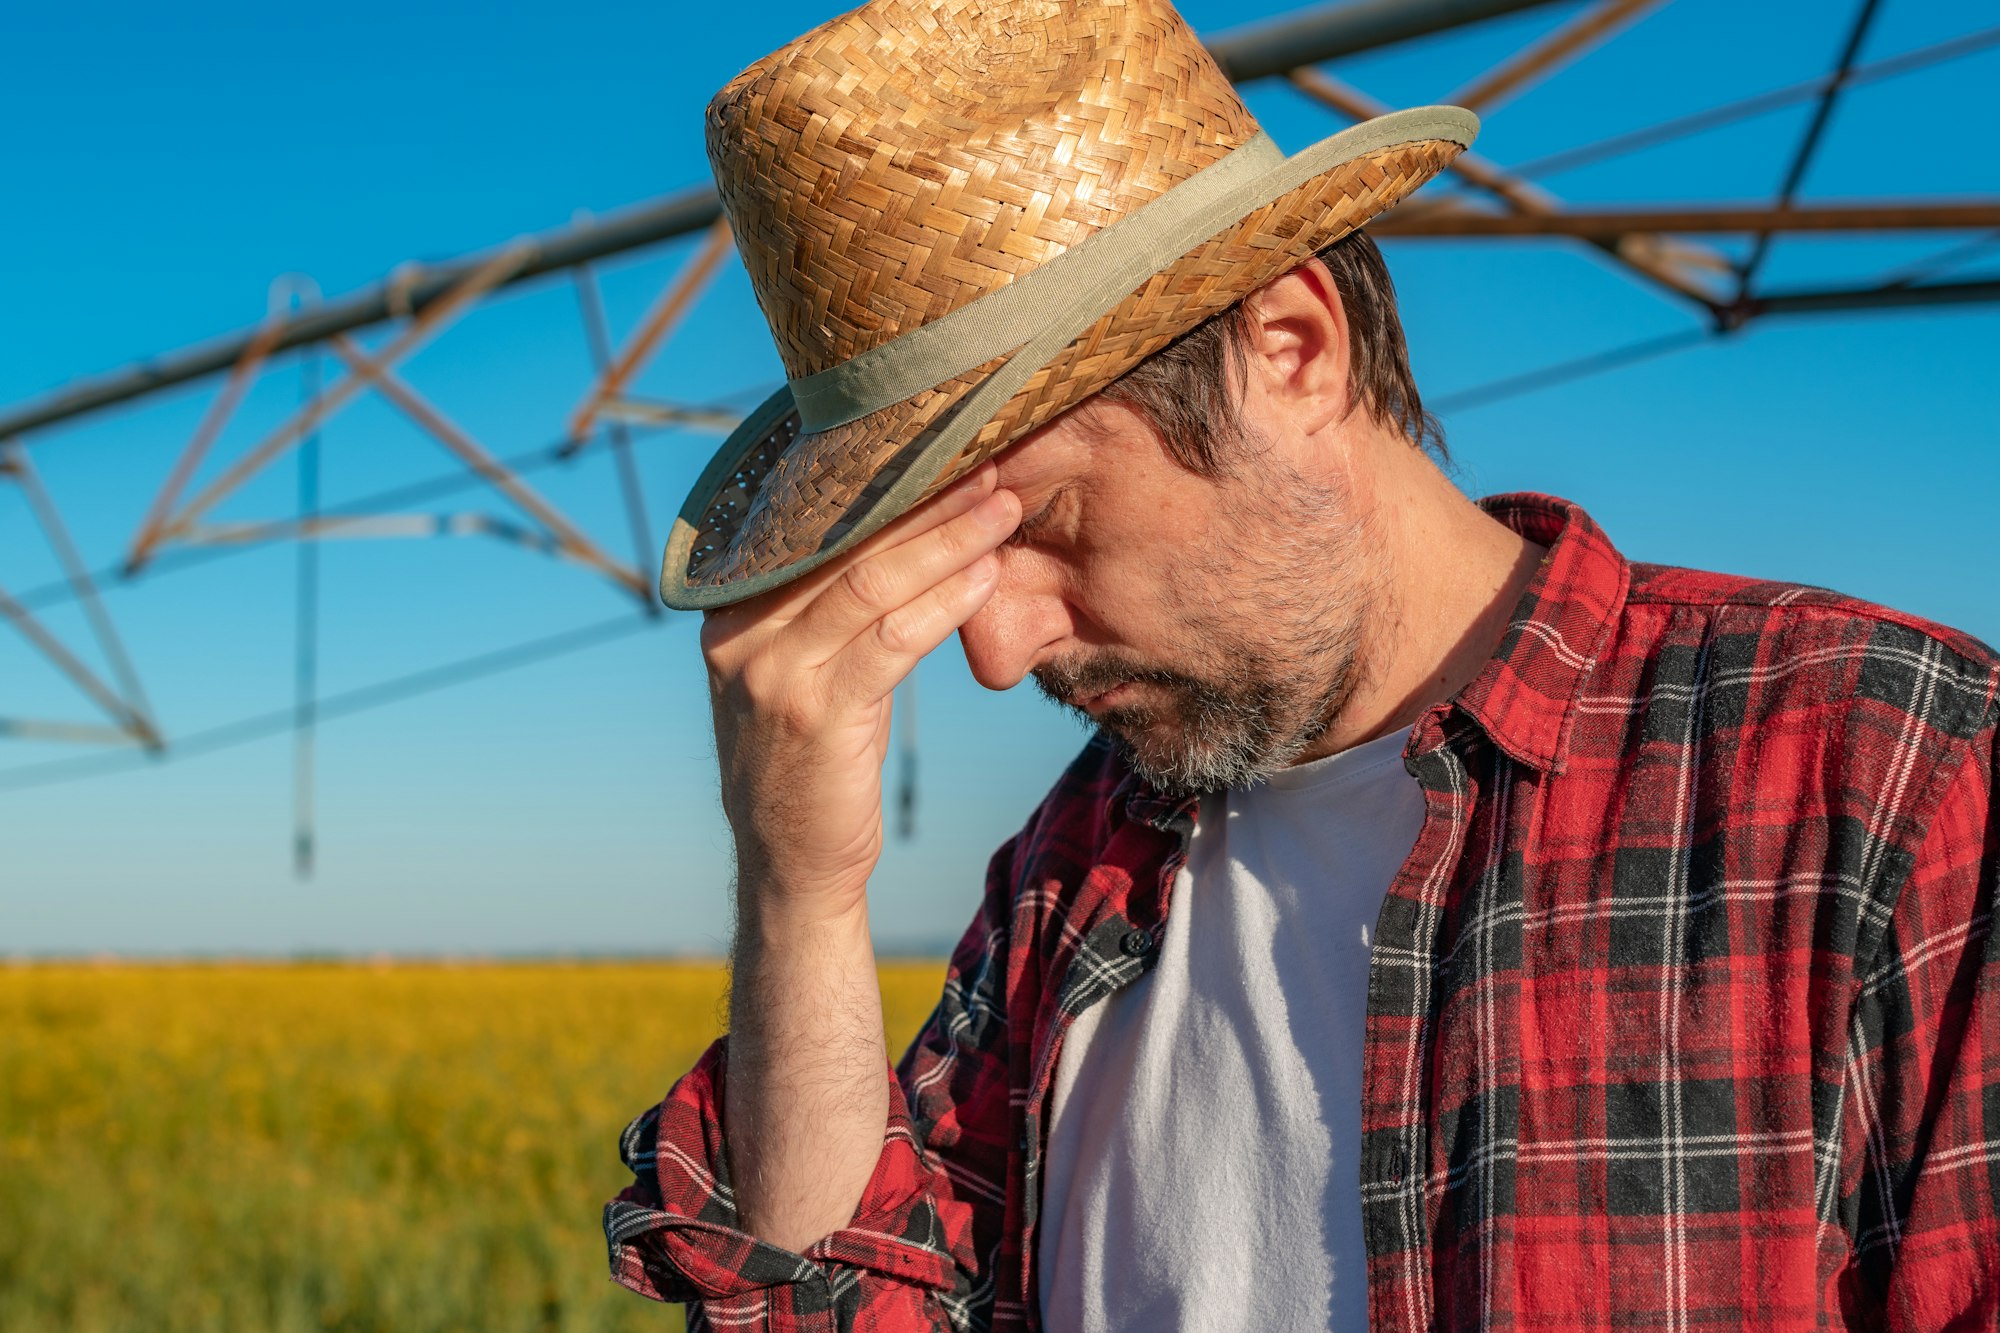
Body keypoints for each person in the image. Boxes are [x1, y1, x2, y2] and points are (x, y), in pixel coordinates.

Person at [604, 2, 2000, 1329]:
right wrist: (798, 889)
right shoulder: (1072, 869)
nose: (993, 649)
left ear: (1292, 350)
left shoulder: (1882, 774)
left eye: (1039, 527)